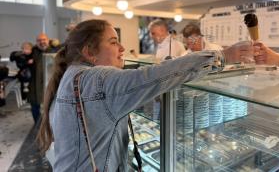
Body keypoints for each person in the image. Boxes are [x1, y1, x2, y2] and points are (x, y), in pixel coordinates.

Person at [37, 19, 253, 171]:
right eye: (113, 42)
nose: (122, 47)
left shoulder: (73, 75)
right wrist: (223, 56)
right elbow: (152, 77)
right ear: (89, 52)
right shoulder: (96, 81)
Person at [29, 33, 52, 124]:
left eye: (44, 39)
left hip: (50, 83)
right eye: (39, 40)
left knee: (51, 105)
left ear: (48, 40)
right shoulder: (32, 51)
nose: (42, 42)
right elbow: (16, 55)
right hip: (35, 83)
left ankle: (50, 125)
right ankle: (38, 125)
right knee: (35, 105)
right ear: (36, 42)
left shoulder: (54, 50)